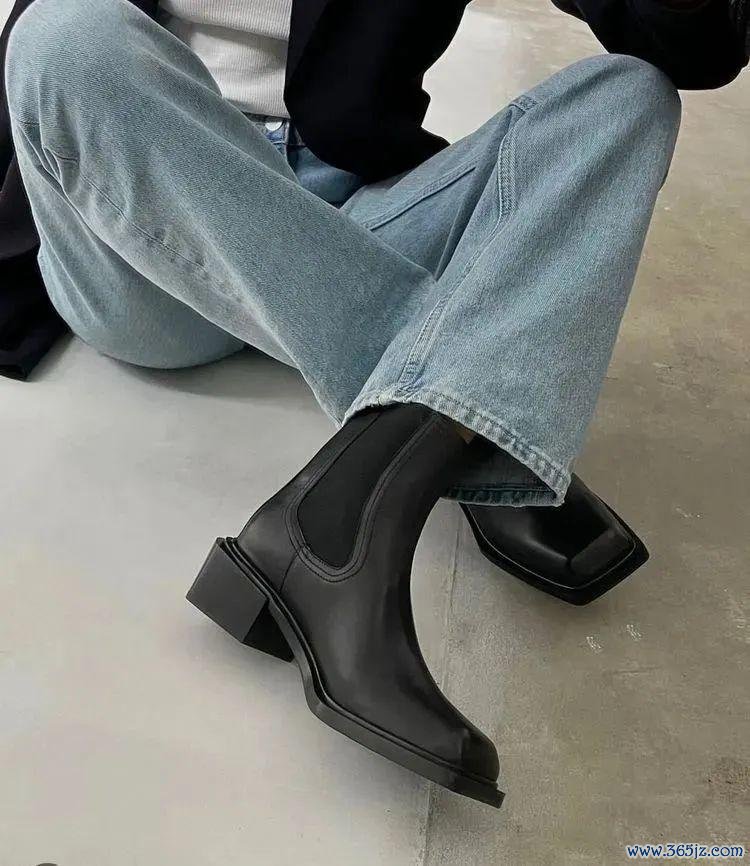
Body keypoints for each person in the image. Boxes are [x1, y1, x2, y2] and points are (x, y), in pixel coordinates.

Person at [3, 0, 747, 807]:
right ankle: (473, 417)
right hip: (141, 224)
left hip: (346, 207)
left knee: (626, 97)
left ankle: (337, 521)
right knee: (65, 32)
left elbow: (694, 48)